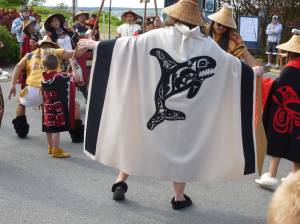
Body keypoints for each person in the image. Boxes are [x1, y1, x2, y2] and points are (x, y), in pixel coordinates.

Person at [78, 0, 263, 210]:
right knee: (180, 155)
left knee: (138, 142)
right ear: (197, 20)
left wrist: (97, 46)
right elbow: (231, 65)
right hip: (187, 117)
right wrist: (252, 73)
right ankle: (179, 197)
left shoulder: (157, 35)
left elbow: (127, 46)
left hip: (152, 107)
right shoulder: (207, 44)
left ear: (173, 17)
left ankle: (120, 181)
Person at [8, 37, 85, 143]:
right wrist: (89, 45)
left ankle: (21, 130)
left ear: (39, 46)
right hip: (54, 89)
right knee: (75, 105)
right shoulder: (56, 51)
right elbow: (77, 53)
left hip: (33, 89)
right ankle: (77, 135)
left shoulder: (29, 55)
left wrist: (12, 84)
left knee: (20, 103)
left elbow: (17, 67)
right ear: (52, 46)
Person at [255, 31, 300, 189]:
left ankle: (271, 176)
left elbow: (277, 89)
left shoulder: (289, 71)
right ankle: (295, 179)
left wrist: (262, 83)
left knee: (278, 143)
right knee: (297, 148)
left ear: (290, 53)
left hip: (284, 115)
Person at [41, 54, 71, 158]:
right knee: (56, 130)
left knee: (48, 127)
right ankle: (56, 150)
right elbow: (71, 78)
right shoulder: (60, 77)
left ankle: (50, 147)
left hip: (47, 105)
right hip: (56, 107)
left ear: (45, 67)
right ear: (57, 65)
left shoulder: (43, 78)